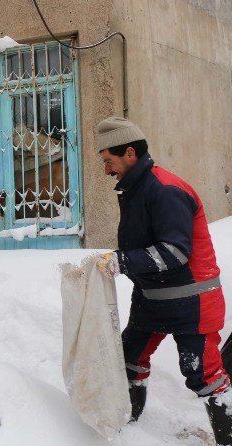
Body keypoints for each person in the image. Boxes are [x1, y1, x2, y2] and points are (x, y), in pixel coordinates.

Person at [95, 116, 232, 444]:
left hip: (191, 302)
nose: (106, 171)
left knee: (205, 377)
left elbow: (175, 252)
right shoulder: (136, 189)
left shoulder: (165, 189)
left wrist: (123, 261)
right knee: (128, 360)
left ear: (130, 154)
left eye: (109, 161)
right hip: (152, 300)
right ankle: (129, 433)